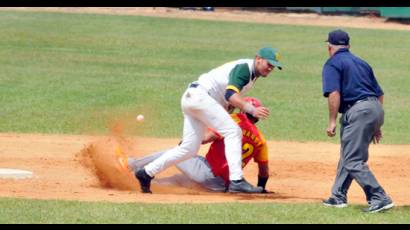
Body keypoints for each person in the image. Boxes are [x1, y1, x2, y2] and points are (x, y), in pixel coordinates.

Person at [135, 47, 282, 193]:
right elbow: (230, 94)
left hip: (194, 98)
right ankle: (236, 180)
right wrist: (252, 109)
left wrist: (226, 109)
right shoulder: (245, 68)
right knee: (234, 131)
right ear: (258, 59)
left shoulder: (252, 75)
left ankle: (146, 173)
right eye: (268, 64)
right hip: (200, 97)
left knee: (188, 149)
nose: (270, 68)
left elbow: (226, 99)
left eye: (273, 66)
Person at [128, 97, 270, 193]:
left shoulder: (234, 121)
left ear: (243, 110)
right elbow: (264, 172)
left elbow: (205, 138)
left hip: (207, 172)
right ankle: (136, 183)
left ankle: (132, 164)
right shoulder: (261, 140)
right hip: (220, 186)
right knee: (178, 180)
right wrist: (261, 189)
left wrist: (188, 140)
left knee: (176, 152)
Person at [321, 29, 394, 213]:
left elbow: (334, 93)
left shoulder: (332, 63)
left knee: (353, 159)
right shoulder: (362, 63)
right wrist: (376, 124)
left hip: (359, 111)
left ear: (329, 47)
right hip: (375, 109)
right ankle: (338, 196)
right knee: (349, 154)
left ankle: (379, 197)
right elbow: (380, 94)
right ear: (348, 46)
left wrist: (331, 121)